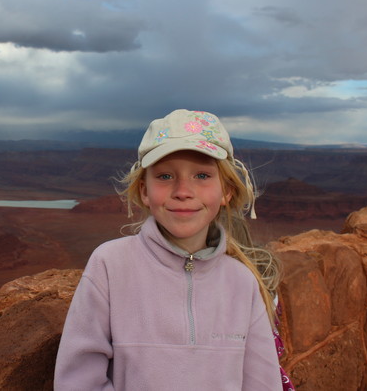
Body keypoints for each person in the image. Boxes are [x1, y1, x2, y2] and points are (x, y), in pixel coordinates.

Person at [54, 109, 290, 390]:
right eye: (165, 177)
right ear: (144, 190)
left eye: (202, 175)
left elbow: (262, 383)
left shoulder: (242, 283)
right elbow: (79, 379)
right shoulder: (110, 265)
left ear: (226, 191)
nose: (182, 191)